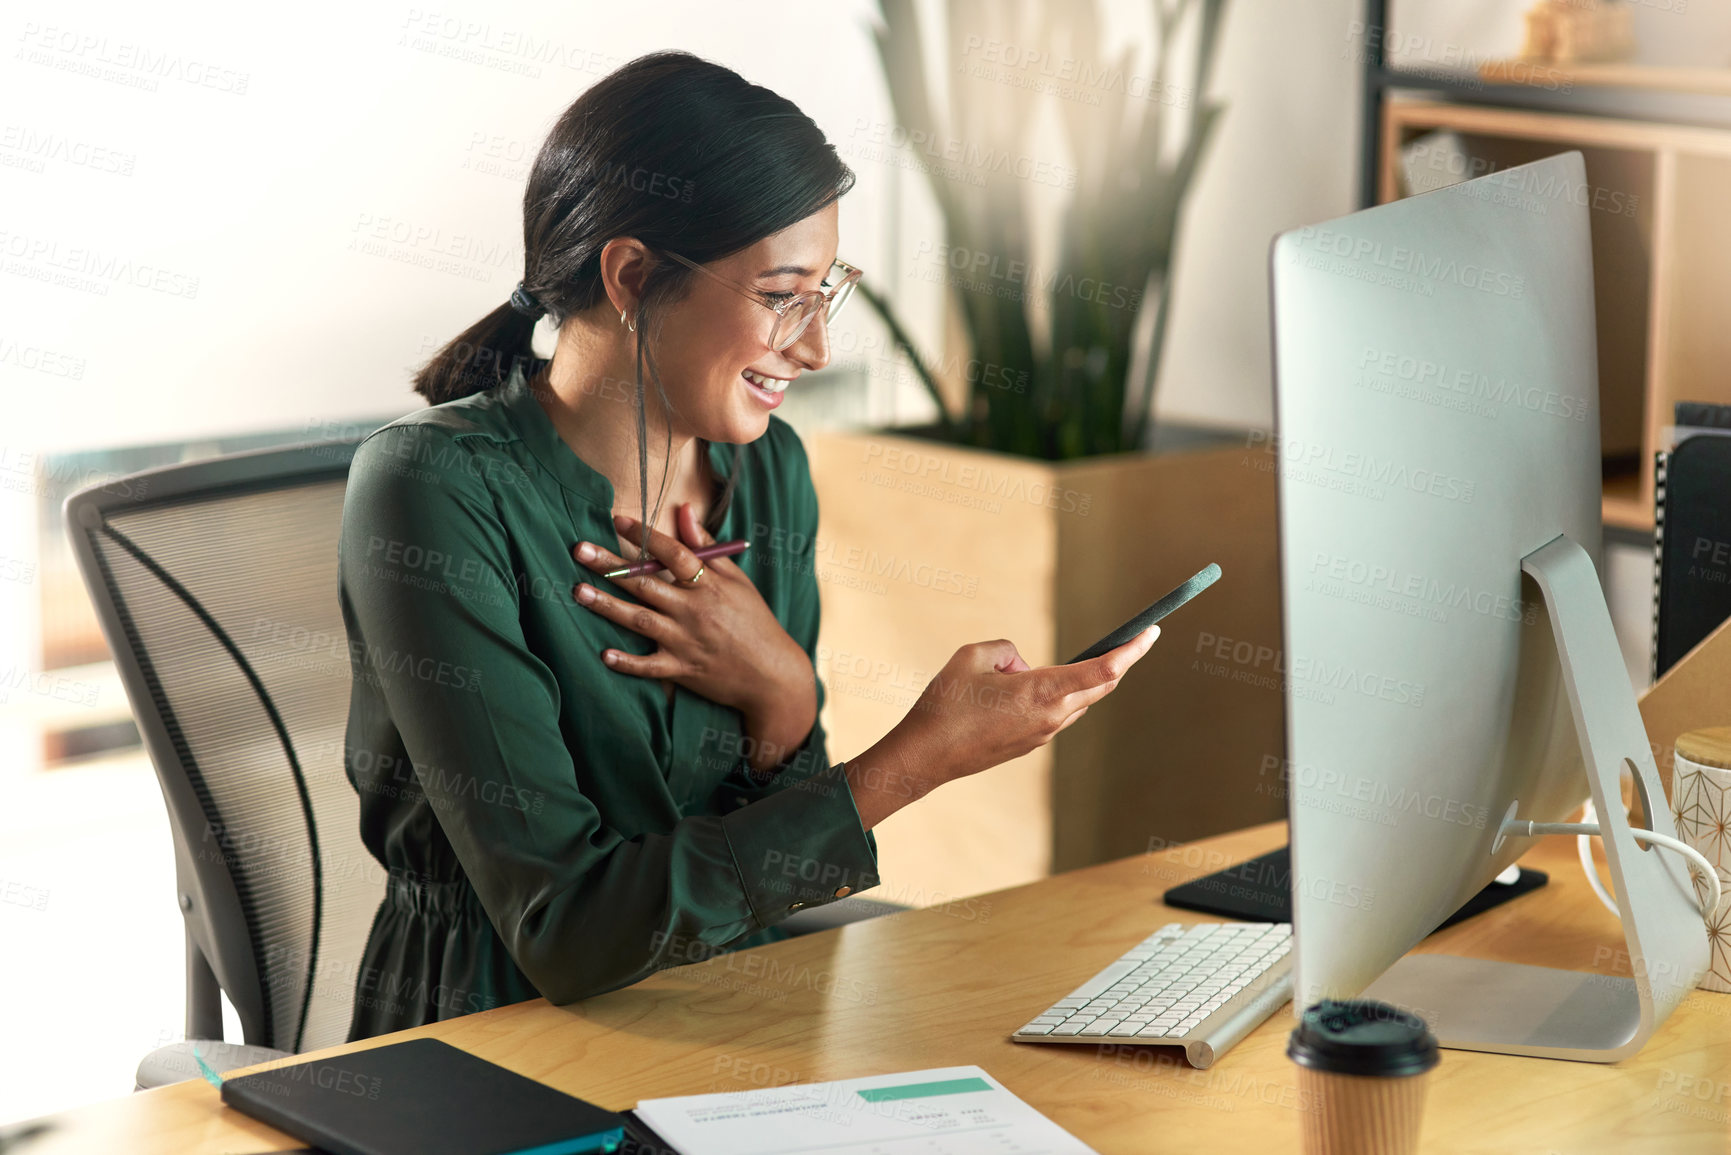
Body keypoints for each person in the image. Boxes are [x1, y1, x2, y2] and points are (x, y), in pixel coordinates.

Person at [337, 49, 1159, 1041]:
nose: (815, 349)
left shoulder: (769, 477)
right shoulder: (435, 489)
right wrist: (919, 756)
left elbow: (781, 850)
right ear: (633, 277)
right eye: (782, 296)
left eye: (827, 294)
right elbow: (563, 932)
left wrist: (785, 700)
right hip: (492, 1048)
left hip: (743, 1018)